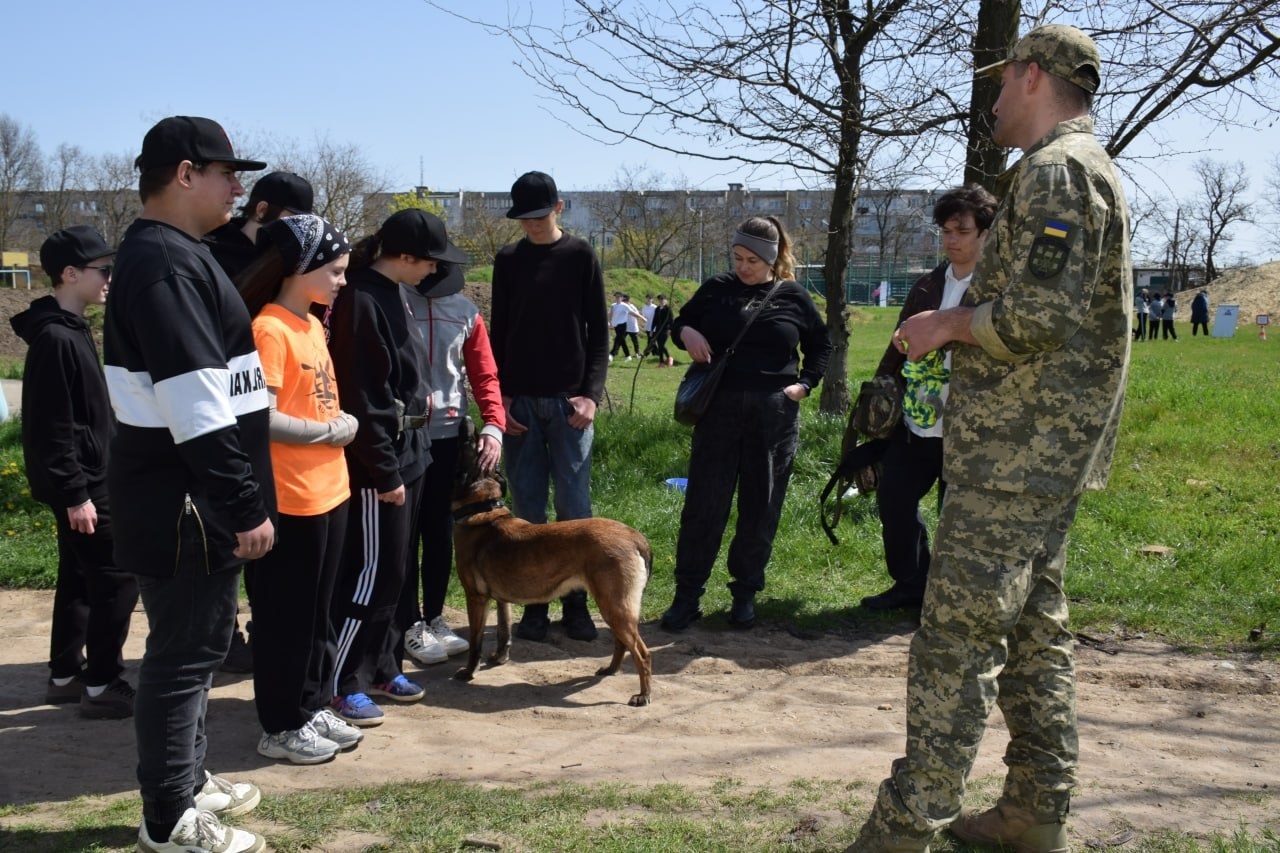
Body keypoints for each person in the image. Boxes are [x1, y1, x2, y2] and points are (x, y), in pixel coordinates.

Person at [844, 26, 1131, 853]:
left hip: (1019, 450)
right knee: (1035, 634)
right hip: (1037, 452)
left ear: (1033, 76)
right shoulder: (1082, 169)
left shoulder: (1056, 171)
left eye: (1002, 83)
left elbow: (1039, 316)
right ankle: (1035, 810)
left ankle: (903, 830)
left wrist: (947, 324)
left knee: (955, 643)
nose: (995, 98)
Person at [104, 115, 275, 853]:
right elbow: (195, 402)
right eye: (226, 172)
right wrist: (241, 502)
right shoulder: (166, 264)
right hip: (186, 502)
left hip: (188, 496)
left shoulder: (176, 253)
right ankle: (168, 816)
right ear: (183, 174)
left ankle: (189, 776)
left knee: (197, 648)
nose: (239, 186)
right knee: (184, 652)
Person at [235, 214, 366, 764]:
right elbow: (256, 416)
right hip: (290, 496)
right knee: (286, 619)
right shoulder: (268, 328)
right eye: (334, 271)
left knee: (319, 614)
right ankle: (280, 724)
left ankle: (311, 705)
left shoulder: (311, 323)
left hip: (330, 491)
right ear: (300, 268)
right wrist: (326, 432)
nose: (341, 282)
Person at [660, 216, 830, 632]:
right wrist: (687, 335)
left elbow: (821, 345)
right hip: (718, 409)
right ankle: (688, 595)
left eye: (752, 260)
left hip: (773, 414)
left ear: (772, 259)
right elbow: (676, 323)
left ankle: (745, 593)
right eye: (737, 257)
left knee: (761, 504)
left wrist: (804, 386)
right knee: (704, 503)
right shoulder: (717, 289)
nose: (743, 267)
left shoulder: (794, 296)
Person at [327, 208, 462, 726]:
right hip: (378, 461)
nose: (434, 271)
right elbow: (362, 394)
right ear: (404, 257)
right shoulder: (361, 297)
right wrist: (383, 469)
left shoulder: (393, 293)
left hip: (413, 449)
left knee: (396, 575)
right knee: (369, 575)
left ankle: (383, 665)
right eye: (430, 261)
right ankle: (340, 681)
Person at [12, 225, 138, 719]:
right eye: (103, 271)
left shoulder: (72, 330)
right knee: (116, 577)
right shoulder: (55, 340)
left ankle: (66, 674)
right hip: (84, 484)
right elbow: (52, 427)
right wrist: (75, 493)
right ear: (70, 274)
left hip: (86, 479)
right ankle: (103, 683)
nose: (110, 279)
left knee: (82, 577)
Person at [855, 185, 998, 612]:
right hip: (918, 421)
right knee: (894, 498)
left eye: (962, 230)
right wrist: (880, 393)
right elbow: (898, 343)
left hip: (971, 424)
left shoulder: (998, 289)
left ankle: (952, 603)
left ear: (985, 234)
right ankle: (911, 584)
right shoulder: (927, 284)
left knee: (958, 518)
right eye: (945, 230)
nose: (951, 239)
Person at [490, 170, 610, 643]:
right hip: (519, 403)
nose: (532, 225)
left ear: (558, 208)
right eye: (524, 218)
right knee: (526, 512)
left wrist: (591, 395)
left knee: (575, 510)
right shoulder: (508, 259)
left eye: (540, 215)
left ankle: (576, 606)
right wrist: (499, 398)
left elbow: (598, 333)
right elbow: (499, 334)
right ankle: (534, 608)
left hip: (569, 404)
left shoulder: (580, 255)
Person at [204, 171, 313, 675]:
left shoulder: (285, 260)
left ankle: (254, 626)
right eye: (289, 219)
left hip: (263, 398)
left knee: (261, 525)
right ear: (263, 209)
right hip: (216, 397)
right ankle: (221, 633)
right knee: (224, 527)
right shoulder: (212, 251)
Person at [399, 258, 506, 666]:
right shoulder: (394, 300)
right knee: (405, 535)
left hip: (448, 435)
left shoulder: (464, 311)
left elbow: (484, 374)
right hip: (404, 434)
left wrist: (493, 424)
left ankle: (435, 617)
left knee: (441, 532)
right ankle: (408, 624)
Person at [204, 171, 314, 280]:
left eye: (304, 221)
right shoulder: (210, 252)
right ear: (262, 210)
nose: (300, 228)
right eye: (293, 220)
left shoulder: (288, 264)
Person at [608, 291, 643, 361]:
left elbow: (633, 313)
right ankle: (628, 356)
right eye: (616, 297)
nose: (617, 298)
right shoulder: (613, 305)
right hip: (616, 326)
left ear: (621, 298)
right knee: (622, 340)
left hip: (623, 325)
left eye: (619, 297)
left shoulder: (624, 305)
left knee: (617, 339)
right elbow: (609, 314)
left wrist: (643, 318)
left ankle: (612, 354)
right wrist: (608, 322)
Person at [651, 293, 674, 366]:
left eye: (663, 299)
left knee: (661, 345)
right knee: (660, 345)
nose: (661, 301)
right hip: (658, 330)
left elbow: (671, 320)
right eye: (660, 300)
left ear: (666, 301)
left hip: (665, 330)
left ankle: (661, 362)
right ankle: (669, 357)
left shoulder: (668, 309)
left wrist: (670, 330)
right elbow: (654, 320)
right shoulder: (657, 309)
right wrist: (652, 329)